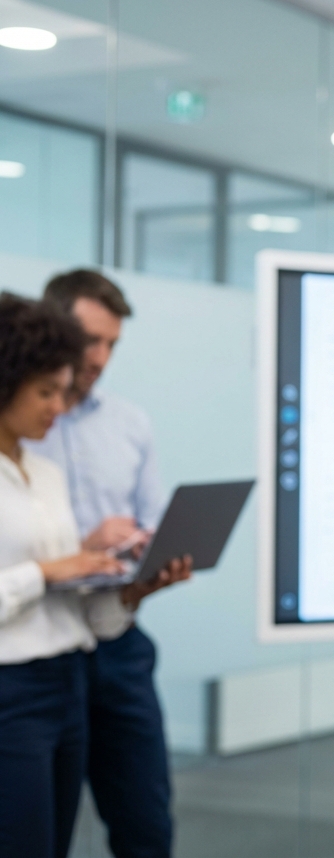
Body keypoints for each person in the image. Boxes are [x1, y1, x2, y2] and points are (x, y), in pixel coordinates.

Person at [29, 270, 190, 858]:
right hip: (42, 647)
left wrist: (155, 565)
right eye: (89, 339)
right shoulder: (16, 426)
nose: (99, 357)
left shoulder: (128, 423)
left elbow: (150, 519)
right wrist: (86, 542)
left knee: (146, 824)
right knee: (42, 829)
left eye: (111, 344)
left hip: (119, 638)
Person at [0, 293, 136, 857]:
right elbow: (47, 578)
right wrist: (49, 569)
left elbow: (79, 608)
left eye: (62, 389)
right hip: (11, 692)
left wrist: (132, 585)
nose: (58, 406)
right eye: (44, 392)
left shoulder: (47, 474)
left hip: (70, 680)